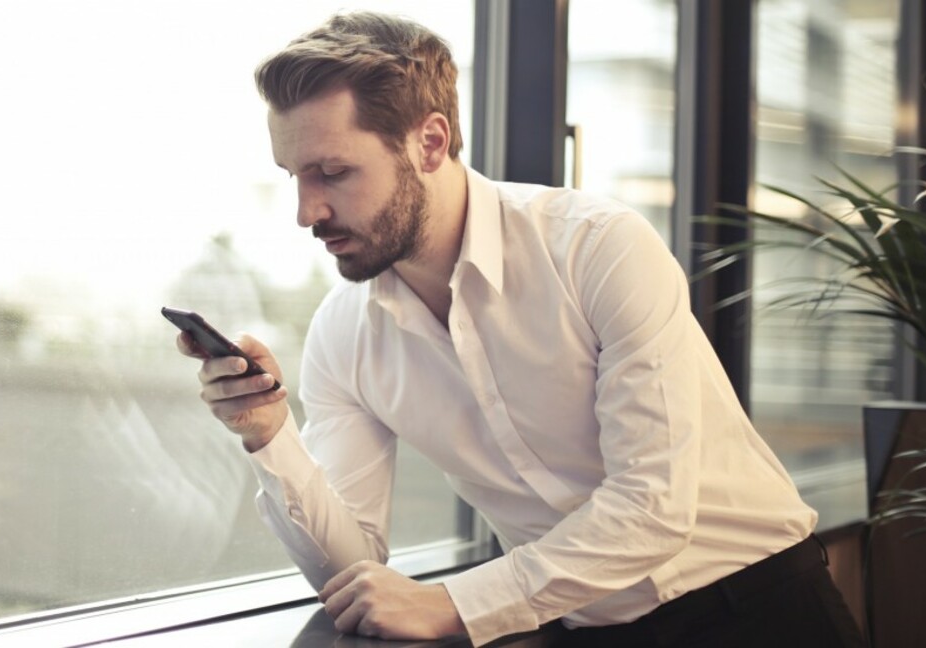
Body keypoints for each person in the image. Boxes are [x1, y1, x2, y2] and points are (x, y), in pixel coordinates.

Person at [176, 11, 865, 648]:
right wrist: (270, 438)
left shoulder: (598, 247)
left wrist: (456, 603)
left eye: (333, 172)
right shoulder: (342, 336)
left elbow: (652, 507)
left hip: (759, 608)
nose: (306, 211)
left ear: (430, 141)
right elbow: (355, 574)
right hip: (578, 630)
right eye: (295, 175)